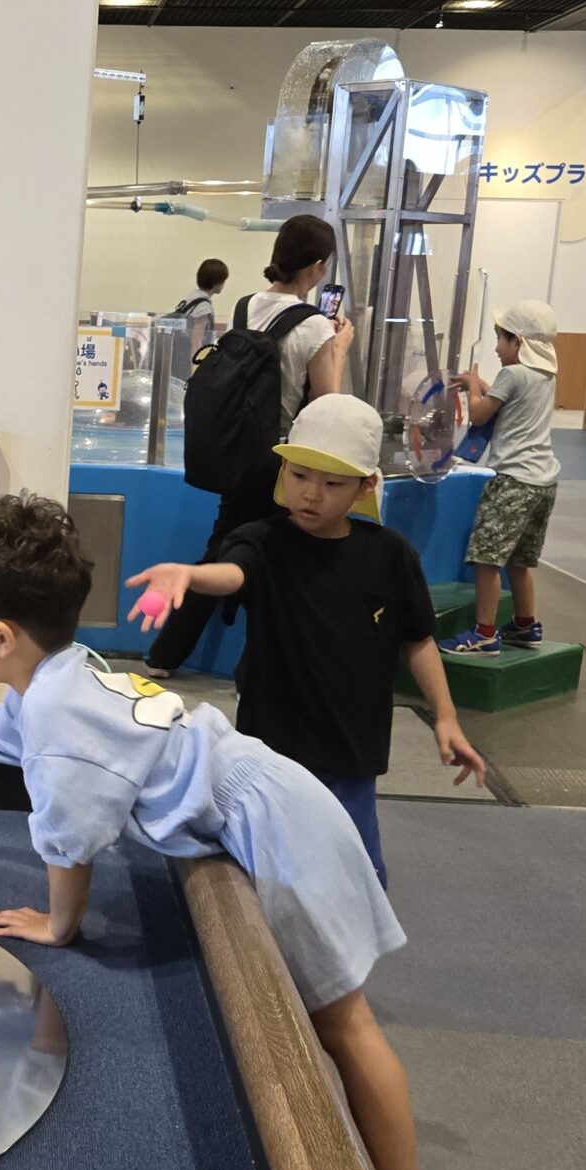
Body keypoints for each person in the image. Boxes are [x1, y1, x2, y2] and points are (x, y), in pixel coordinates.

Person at [0, 493, 464, 1170]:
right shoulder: (57, 680)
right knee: (332, 1026)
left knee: (345, 1026)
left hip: (277, 825)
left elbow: (69, 841)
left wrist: (58, 925)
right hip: (270, 799)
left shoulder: (61, 720)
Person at [124, 393, 485, 886]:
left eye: (332, 483)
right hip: (271, 750)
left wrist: (445, 717)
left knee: (352, 876)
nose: (311, 494)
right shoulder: (262, 541)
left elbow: (417, 640)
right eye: (299, 476)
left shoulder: (390, 555)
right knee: (267, 870)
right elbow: (233, 574)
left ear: (365, 486)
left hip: (350, 755)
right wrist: (190, 575)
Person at [147, 211, 354, 674]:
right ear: (319, 267)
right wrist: (338, 349)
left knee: (223, 550)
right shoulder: (315, 327)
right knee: (284, 568)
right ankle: (254, 671)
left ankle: (165, 655)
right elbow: (327, 404)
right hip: (284, 463)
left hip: (238, 453)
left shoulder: (246, 305)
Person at [449, 299, 560, 655]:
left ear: (519, 343)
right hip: (543, 483)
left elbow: (481, 414)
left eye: (500, 339)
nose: (497, 348)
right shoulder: (544, 376)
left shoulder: (512, 375)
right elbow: (505, 397)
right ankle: (526, 625)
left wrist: (471, 389)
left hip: (512, 480)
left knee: (487, 559)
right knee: (520, 560)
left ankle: (484, 633)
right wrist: (478, 383)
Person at [166, 256, 229, 361]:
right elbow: (196, 342)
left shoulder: (191, 299)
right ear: (217, 282)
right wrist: (196, 369)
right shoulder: (203, 308)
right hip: (185, 363)